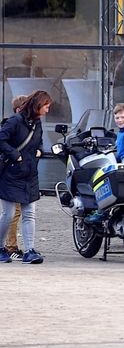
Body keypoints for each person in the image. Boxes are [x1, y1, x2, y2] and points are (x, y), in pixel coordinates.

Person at [0, 90, 52, 264]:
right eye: (46, 106)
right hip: (11, 174)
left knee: (29, 213)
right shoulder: (15, 121)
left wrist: (40, 150)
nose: (47, 110)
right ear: (38, 105)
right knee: (7, 214)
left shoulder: (37, 123)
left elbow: (39, 140)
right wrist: (15, 155)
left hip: (29, 173)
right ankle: (1, 248)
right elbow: (1, 139)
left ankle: (30, 250)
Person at [2, 95, 28, 258]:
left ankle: (10, 245)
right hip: (11, 174)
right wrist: (17, 156)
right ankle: (10, 246)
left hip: (16, 173)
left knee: (13, 211)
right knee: (13, 211)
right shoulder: (14, 125)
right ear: (19, 110)